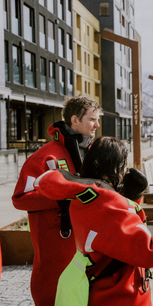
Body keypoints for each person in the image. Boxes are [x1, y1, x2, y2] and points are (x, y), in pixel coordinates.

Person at [33, 136, 153, 305]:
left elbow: (118, 236)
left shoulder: (84, 196)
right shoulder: (109, 206)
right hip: (118, 294)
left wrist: (130, 197)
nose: (126, 171)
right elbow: (147, 250)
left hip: (100, 288)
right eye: (123, 165)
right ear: (113, 168)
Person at [11, 95, 101, 305]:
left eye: (97, 120)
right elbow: (20, 198)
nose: (97, 125)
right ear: (74, 120)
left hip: (84, 244)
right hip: (55, 245)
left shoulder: (90, 152)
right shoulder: (45, 157)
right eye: (92, 119)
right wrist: (60, 197)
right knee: (51, 294)